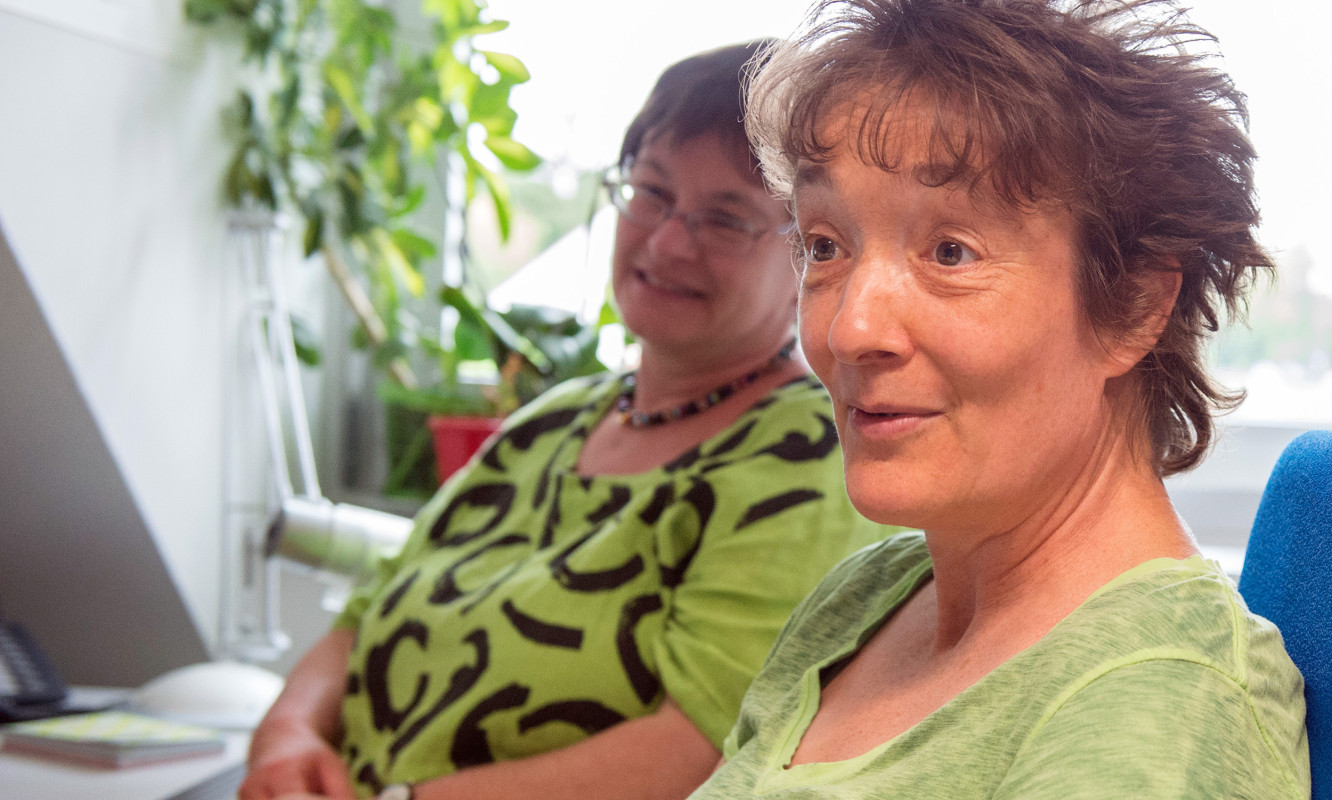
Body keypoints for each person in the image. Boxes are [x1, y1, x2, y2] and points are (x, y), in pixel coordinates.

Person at [241, 40, 896, 800]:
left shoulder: (808, 460)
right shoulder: (552, 420)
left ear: (812, 258)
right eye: (651, 193)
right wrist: (285, 738)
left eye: (725, 220)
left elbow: (705, 748)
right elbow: (364, 615)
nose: (667, 240)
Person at [689, 0, 1311, 797]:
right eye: (825, 245)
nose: (851, 328)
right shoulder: (870, 595)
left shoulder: (1155, 710)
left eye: (951, 251)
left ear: (1133, 308)